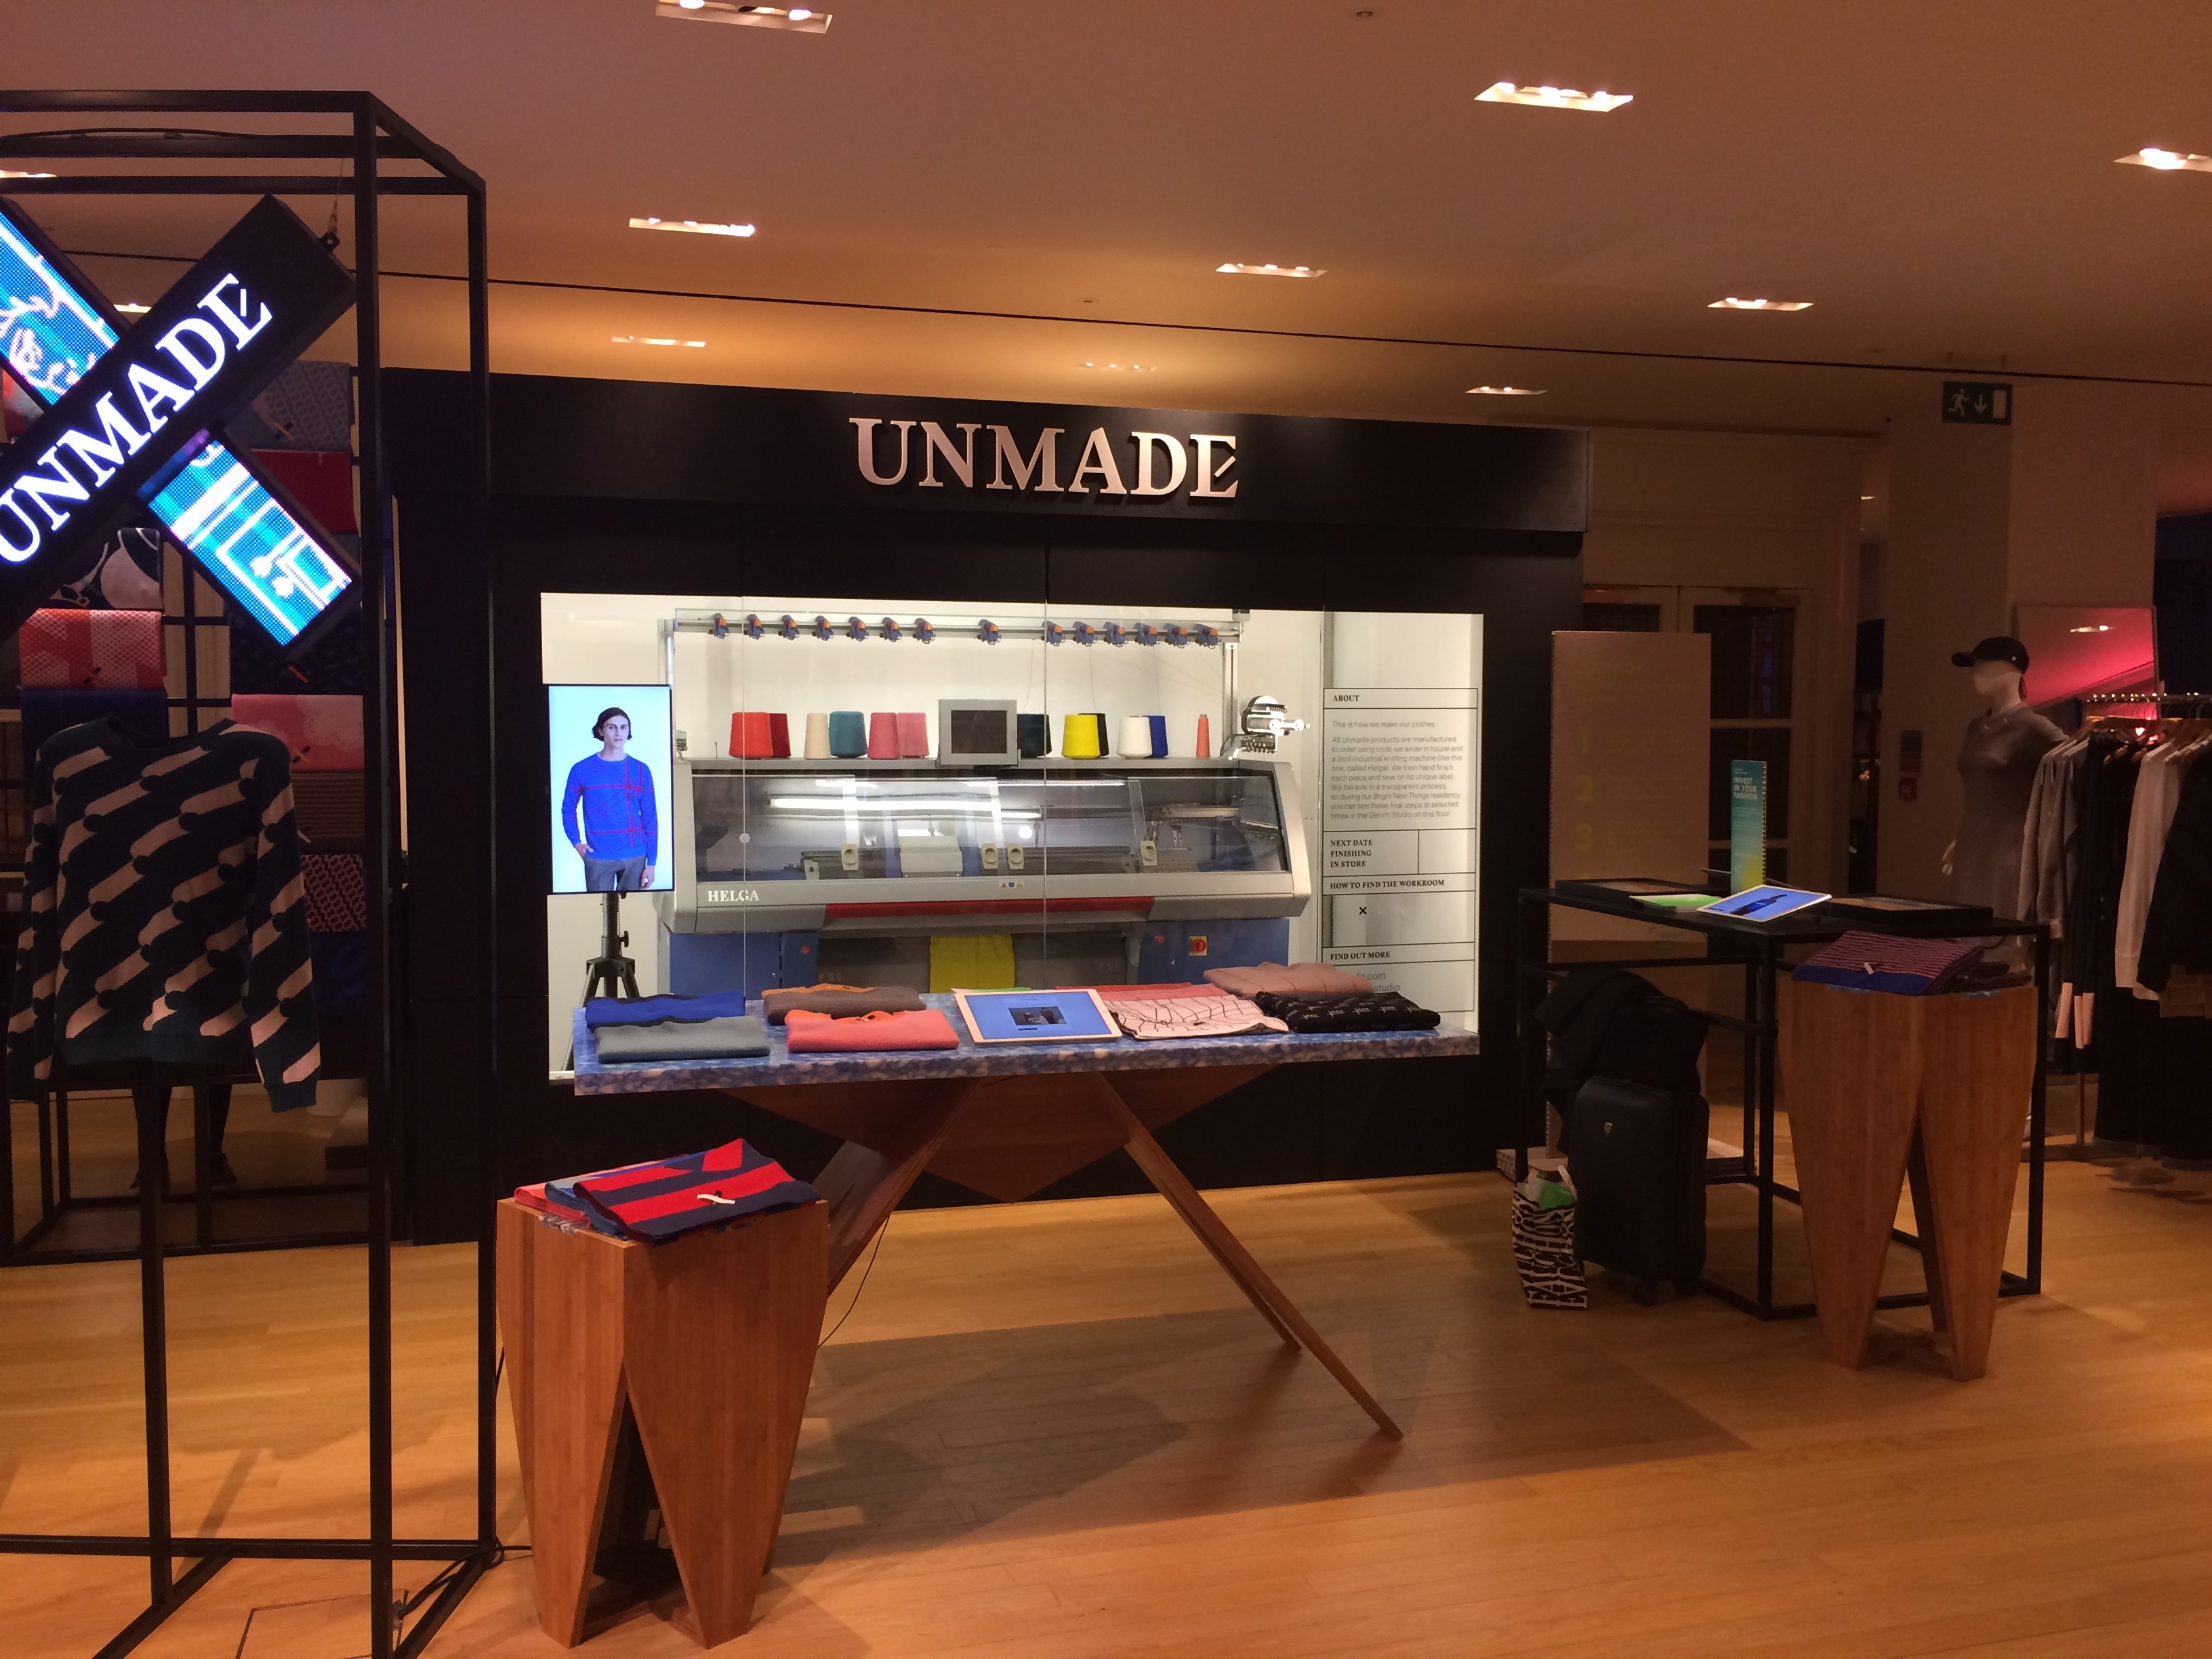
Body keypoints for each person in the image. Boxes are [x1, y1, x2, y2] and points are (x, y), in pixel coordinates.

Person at [561, 707, 658, 891]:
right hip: (598, 858)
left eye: (624, 727)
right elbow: (568, 810)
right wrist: (576, 843)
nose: (618, 733)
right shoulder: (581, 769)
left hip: (636, 857)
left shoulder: (641, 770)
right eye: (612, 727)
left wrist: (651, 863)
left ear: (629, 731)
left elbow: (650, 817)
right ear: (601, 731)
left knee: (631, 914)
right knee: (597, 915)